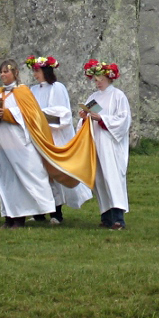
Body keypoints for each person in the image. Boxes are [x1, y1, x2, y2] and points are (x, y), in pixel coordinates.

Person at [0, 60, 57, 228]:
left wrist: (7, 114)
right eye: (1, 72)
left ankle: (21, 217)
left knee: (22, 178)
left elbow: (31, 116)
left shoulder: (23, 92)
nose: (3, 75)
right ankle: (9, 215)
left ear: (15, 73)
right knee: (6, 179)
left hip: (18, 144)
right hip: (0, 145)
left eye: (6, 72)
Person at [27, 55, 92, 223]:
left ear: (46, 71)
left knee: (55, 175)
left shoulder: (57, 88)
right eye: (34, 71)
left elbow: (63, 114)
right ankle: (39, 211)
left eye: (38, 71)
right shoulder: (33, 90)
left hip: (53, 138)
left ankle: (56, 213)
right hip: (38, 137)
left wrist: (42, 115)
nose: (35, 75)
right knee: (38, 174)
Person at [80, 60, 131, 230]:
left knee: (113, 177)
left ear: (108, 78)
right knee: (99, 178)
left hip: (110, 143)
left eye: (100, 79)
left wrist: (102, 119)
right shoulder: (93, 97)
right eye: (95, 80)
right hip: (96, 142)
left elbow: (123, 120)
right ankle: (106, 216)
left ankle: (118, 218)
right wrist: (84, 117)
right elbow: (87, 120)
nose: (97, 82)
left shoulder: (118, 96)